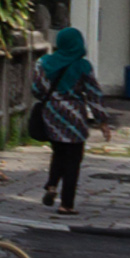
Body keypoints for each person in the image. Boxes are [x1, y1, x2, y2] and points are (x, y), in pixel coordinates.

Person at [33, 27, 100, 214]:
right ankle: (66, 204)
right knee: (73, 159)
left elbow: (36, 89)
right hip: (75, 116)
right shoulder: (83, 66)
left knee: (59, 151)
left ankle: (52, 185)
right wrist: (102, 120)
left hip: (51, 113)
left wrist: (52, 98)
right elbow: (94, 93)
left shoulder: (43, 62)